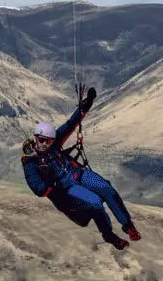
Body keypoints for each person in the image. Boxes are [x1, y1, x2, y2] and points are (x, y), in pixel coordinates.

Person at [21, 86, 141, 250]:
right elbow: (38, 189)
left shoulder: (54, 144)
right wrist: (49, 179)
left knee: (106, 188)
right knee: (95, 201)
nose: (44, 144)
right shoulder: (30, 163)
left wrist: (86, 105)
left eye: (48, 141)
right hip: (66, 187)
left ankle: (127, 224)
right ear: (36, 138)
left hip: (77, 173)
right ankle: (109, 235)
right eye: (41, 140)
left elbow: (70, 124)